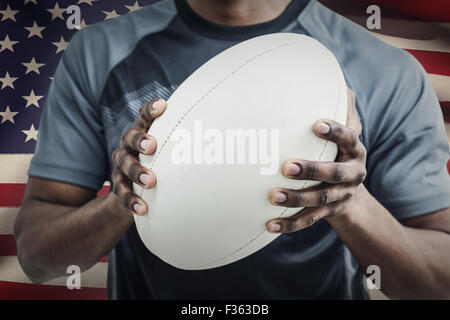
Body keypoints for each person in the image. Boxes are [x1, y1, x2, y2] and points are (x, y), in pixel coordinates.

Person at [14, 0, 450, 299]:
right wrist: (122, 201)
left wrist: (351, 205)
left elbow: (440, 283)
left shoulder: (384, 69)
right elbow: (37, 258)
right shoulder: (100, 53)